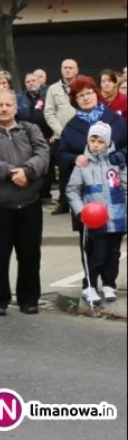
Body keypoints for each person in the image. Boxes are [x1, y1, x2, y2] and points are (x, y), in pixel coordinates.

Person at [0, 88, 50, 316]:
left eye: (8, 105)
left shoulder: (30, 129)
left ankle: (29, 299)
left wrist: (27, 171)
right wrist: (10, 173)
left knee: (30, 255)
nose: (4, 109)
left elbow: (43, 153)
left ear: (16, 107)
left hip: (29, 204)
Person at [58, 75, 128, 297]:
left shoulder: (114, 120)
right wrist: (74, 158)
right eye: (80, 96)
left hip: (114, 195)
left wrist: (121, 155)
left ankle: (110, 283)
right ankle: (89, 284)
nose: (85, 98)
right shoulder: (71, 127)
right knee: (91, 245)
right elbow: (61, 155)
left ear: (96, 93)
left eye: (88, 93)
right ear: (74, 100)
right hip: (88, 197)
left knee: (113, 246)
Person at [66, 122, 126, 306]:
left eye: (101, 141)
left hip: (116, 218)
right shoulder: (83, 163)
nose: (96, 144)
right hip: (95, 220)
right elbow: (72, 190)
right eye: (93, 140)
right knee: (97, 253)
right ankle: (89, 285)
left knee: (113, 254)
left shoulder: (117, 162)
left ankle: (109, 283)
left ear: (108, 142)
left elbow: (125, 188)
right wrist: (81, 211)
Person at [45, 59, 79, 215]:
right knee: (64, 172)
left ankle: (80, 203)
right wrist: (61, 131)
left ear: (76, 70)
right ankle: (64, 203)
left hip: (80, 136)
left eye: (71, 68)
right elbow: (49, 112)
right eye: (65, 68)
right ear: (61, 70)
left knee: (81, 170)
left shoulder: (83, 86)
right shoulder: (53, 89)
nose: (68, 70)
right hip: (61, 138)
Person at [24, 72, 55, 201]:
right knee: (31, 166)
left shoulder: (47, 96)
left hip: (46, 136)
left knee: (46, 167)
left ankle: (46, 195)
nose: (31, 83)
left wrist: (54, 132)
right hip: (27, 138)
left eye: (33, 81)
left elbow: (53, 113)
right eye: (28, 82)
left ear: (39, 82)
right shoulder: (22, 97)